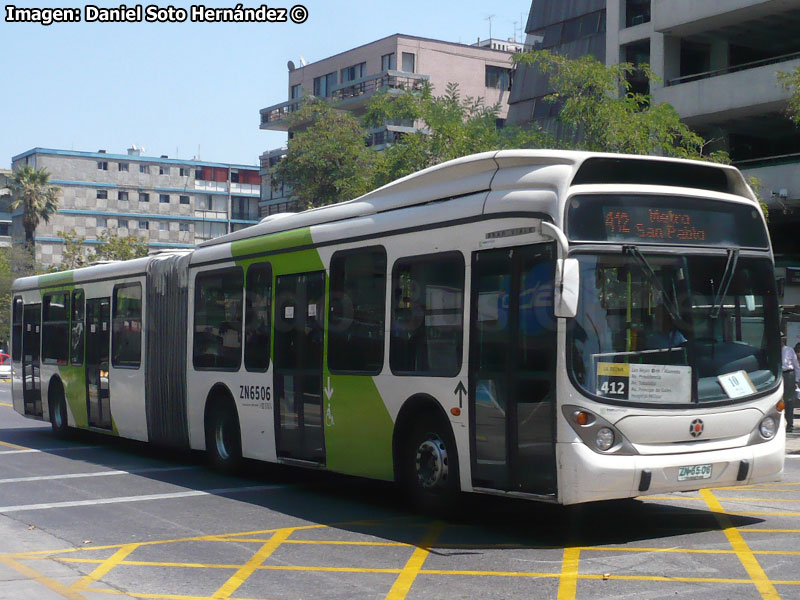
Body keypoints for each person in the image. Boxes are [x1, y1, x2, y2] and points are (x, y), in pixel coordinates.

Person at [781, 334, 800, 432]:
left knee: (789, 400)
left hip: (788, 375)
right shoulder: (771, 350)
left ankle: (790, 424)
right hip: (777, 375)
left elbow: (796, 366)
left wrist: (796, 379)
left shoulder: (789, 350)